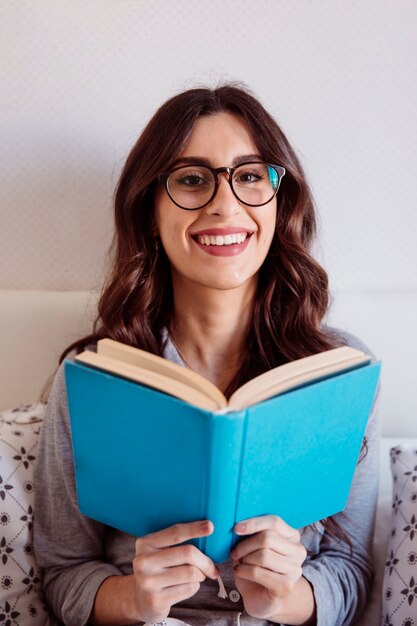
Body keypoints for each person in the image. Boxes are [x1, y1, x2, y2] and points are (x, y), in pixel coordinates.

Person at [33, 84, 380, 626]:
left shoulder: (342, 371)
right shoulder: (90, 379)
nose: (224, 204)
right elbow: (62, 569)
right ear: (149, 209)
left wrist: (283, 600)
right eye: (192, 179)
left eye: (249, 176)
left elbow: (353, 568)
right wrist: (134, 598)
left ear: (279, 200)